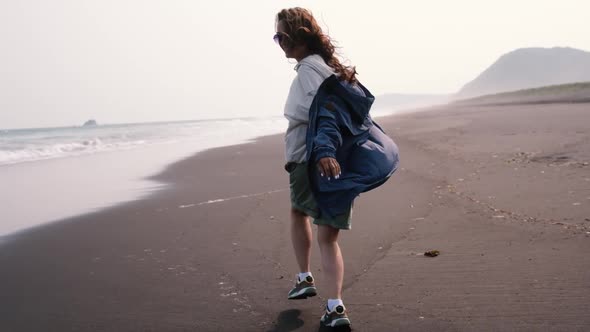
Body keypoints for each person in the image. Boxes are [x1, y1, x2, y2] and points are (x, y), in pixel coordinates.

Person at [274, 7, 399, 328]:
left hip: (310, 158)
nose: (279, 43)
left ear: (299, 37)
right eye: (277, 37)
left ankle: (304, 277)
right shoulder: (332, 69)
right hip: (339, 160)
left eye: (281, 36)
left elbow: (325, 115)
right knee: (328, 237)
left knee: (298, 212)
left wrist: (323, 150)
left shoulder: (308, 73)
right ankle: (335, 308)